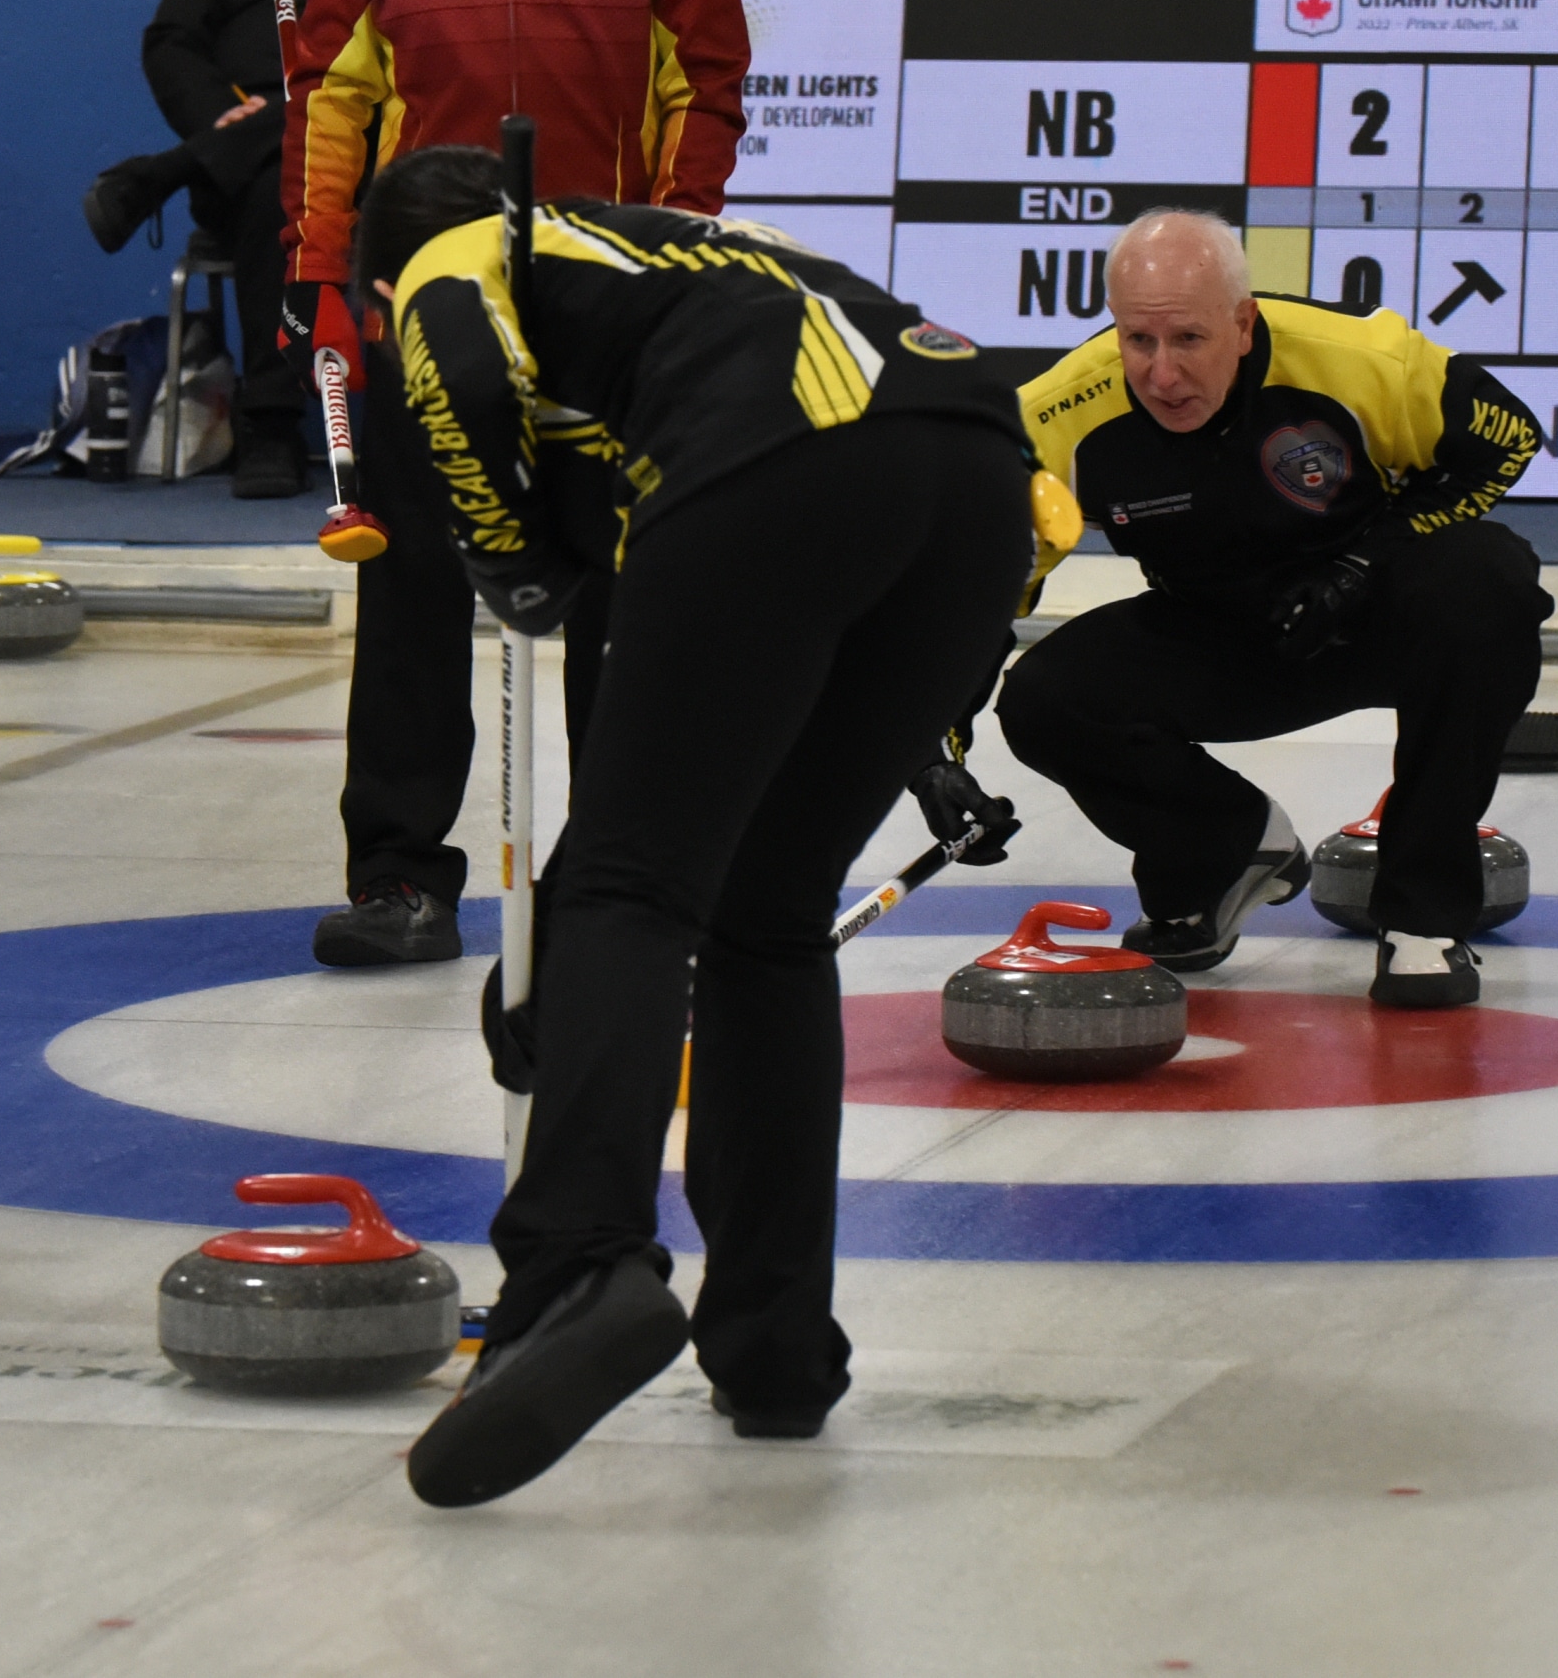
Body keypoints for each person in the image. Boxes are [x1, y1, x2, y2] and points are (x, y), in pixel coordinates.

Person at [346, 149, 1050, 1508]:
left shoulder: (466, 254)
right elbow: (647, 726)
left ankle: (576, 1267)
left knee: (634, 887)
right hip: (977, 486)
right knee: (764, 919)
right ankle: (776, 1348)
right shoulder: (689, 272)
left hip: (791, 458)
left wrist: (510, 568)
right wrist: (561, 941)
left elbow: (458, 372)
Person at [282, 0, 750, 968]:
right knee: (415, 593)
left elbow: (705, 91)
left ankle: (618, 872)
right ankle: (399, 879)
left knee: (627, 604)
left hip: (605, 309)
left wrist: (666, 270)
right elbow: (330, 93)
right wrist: (325, 281)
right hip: (425, 307)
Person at [957, 210, 1552, 1011]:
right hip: (1219, 635)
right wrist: (933, 755)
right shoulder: (1062, 418)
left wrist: (1361, 563)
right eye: (1139, 341)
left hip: (1374, 614)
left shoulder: (1360, 359)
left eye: (1189, 341)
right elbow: (968, 593)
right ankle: (1224, 849)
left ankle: (1423, 913)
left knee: (1491, 581)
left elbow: (1510, 437)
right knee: (1043, 698)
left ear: (1243, 324)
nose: (1162, 375)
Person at [93, 0, 394, 499]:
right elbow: (170, 41)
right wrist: (216, 115)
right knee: (280, 168)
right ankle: (267, 424)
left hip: (378, 149)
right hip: (253, 163)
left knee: (312, 129)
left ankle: (164, 172)